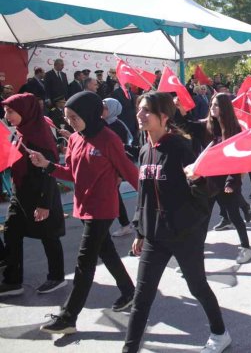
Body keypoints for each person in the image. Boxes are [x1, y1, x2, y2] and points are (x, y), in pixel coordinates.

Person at [124, 92, 231, 353]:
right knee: (142, 297)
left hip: (184, 235)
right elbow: (143, 194)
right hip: (153, 236)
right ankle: (130, 348)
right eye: (139, 109)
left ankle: (220, 333)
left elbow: (204, 194)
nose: (140, 115)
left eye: (146, 110)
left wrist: (195, 179)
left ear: (163, 117)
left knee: (197, 287)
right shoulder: (145, 149)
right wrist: (140, 229)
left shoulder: (180, 147)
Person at [29, 91, 138, 335]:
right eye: (67, 118)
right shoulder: (76, 139)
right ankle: (130, 291)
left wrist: (155, 202)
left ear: (89, 113)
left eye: (74, 117)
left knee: (84, 262)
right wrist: (47, 165)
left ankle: (69, 316)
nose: (70, 122)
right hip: (84, 205)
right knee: (106, 251)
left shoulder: (109, 139)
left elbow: (129, 171)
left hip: (103, 207)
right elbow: (71, 174)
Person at [0, 94, 65, 297]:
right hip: (20, 195)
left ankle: (57, 276)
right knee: (11, 231)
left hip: (40, 196)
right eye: (5, 110)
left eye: (10, 111)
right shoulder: (21, 132)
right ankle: (12, 280)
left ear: (25, 111)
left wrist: (44, 204)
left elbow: (49, 173)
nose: (6, 115)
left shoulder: (40, 136)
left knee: (49, 237)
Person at [204, 93, 251, 264]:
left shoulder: (235, 130)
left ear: (225, 108)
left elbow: (238, 159)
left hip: (226, 181)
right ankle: (194, 253)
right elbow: (185, 126)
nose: (212, 108)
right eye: (211, 104)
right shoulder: (208, 127)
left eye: (216, 105)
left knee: (234, 216)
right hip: (209, 181)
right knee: (203, 217)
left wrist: (232, 181)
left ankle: (246, 248)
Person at [103, 98, 135, 238]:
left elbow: (122, 153)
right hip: (105, 167)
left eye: (105, 107)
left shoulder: (118, 126)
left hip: (114, 168)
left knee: (113, 196)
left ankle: (125, 224)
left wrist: (119, 175)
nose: (102, 109)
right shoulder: (101, 123)